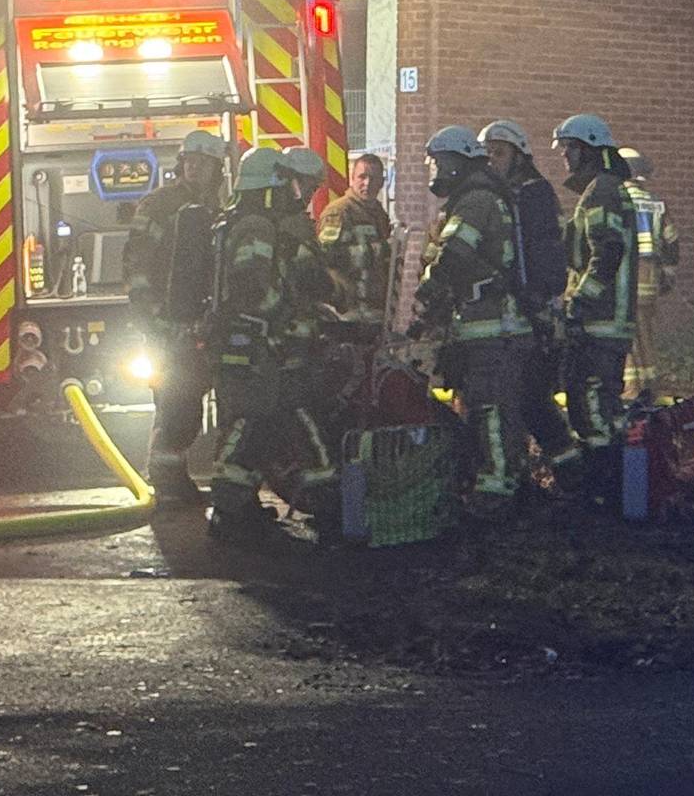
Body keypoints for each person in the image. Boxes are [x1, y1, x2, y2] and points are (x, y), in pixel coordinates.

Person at [204, 149, 339, 542]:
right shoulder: (257, 225)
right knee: (249, 423)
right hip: (256, 343)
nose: (290, 194)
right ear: (269, 187)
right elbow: (251, 285)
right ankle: (230, 512)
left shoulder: (242, 221)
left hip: (249, 343)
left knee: (259, 421)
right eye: (283, 186)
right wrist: (285, 315)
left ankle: (239, 509)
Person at [410, 125, 538, 514]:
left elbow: (452, 256)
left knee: (491, 408)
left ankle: (497, 490)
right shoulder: (475, 197)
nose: (435, 170)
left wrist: (425, 298)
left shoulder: (476, 200)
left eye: (438, 162)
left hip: (494, 325)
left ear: (456, 163)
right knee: (488, 405)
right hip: (487, 324)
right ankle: (505, 479)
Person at [127, 129, 229, 502]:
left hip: (198, 323)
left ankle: (174, 479)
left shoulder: (216, 208)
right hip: (166, 324)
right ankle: (167, 482)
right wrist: (151, 316)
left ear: (217, 168)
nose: (194, 169)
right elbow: (137, 261)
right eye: (189, 161)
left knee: (189, 399)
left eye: (202, 163)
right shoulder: (160, 205)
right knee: (176, 402)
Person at [480, 118, 578, 479]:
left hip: (534, 315)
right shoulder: (496, 196)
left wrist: (539, 304)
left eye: (500, 153)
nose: (492, 161)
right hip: (512, 318)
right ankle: (544, 471)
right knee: (518, 401)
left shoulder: (532, 195)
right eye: (488, 154)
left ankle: (571, 473)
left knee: (531, 400)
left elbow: (543, 257)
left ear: (519, 156)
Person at [552, 115, 637, 496]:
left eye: (571, 148)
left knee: (590, 406)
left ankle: (604, 488)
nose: (565, 156)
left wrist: (578, 305)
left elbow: (606, 253)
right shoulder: (604, 189)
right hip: (605, 322)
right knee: (602, 407)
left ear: (590, 150)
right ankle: (616, 488)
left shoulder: (601, 191)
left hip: (600, 323)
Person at [615, 145, 679, 402]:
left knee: (625, 332)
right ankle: (650, 385)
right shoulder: (656, 204)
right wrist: (668, 274)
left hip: (625, 275)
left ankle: (632, 388)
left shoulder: (617, 201)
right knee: (645, 331)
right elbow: (671, 240)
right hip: (650, 277)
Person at [317, 153, 396, 327]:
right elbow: (326, 257)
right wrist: (381, 249)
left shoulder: (379, 213)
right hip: (348, 315)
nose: (367, 183)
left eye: (374, 178)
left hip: (375, 313)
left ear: (382, 183)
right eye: (362, 177)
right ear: (352, 179)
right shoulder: (338, 213)